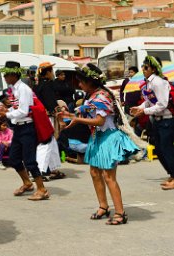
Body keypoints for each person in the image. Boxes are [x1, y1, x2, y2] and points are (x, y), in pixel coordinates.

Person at [59, 63, 138, 225]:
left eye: (81, 81)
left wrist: (77, 119)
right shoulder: (93, 95)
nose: (79, 84)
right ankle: (103, 206)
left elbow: (99, 120)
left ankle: (120, 213)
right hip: (98, 137)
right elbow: (82, 112)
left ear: (90, 82)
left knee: (109, 177)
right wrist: (68, 115)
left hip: (108, 137)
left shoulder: (101, 96)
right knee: (94, 172)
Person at [0, 61, 49, 201]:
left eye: (6, 74)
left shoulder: (23, 89)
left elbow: (24, 111)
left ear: (14, 74)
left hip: (27, 127)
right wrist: (7, 111)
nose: (4, 77)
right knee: (14, 159)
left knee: (30, 160)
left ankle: (42, 189)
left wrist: (7, 114)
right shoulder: (14, 89)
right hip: (19, 127)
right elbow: (17, 108)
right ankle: (27, 182)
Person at [130, 56, 174, 190]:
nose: (143, 69)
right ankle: (172, 174)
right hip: (156, 120)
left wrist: (144, 111)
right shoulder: (148, 83)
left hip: (166, 120)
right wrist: (140, 108)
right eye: (143, 66)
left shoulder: (158, 82)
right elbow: (149, 101)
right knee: (159, 150)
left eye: (146, 67)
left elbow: (162, 104)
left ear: (153, 69)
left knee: (166, 149)